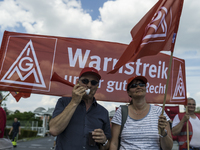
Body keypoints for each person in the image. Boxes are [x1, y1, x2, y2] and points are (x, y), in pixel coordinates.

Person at [49, 67, 111, 150]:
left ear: (97, 86)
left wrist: (104, 141)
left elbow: (106, 147)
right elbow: (53, 130)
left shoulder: (103, 112)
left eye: (93, 83)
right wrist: (74, 102)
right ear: (78, 83)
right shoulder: (63, 102)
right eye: (85, 81)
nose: (89, 85)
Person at [110, 76, 173, 150]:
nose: (138, 87)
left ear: (146, 88)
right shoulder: (121, 112)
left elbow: (168, 148)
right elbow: (114, 143)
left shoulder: (159, 111)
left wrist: (163, 132)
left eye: (142, 84)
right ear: (129, 92)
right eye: (134, 85)